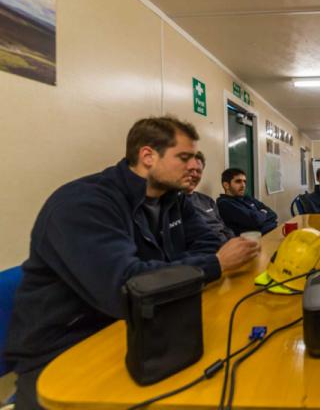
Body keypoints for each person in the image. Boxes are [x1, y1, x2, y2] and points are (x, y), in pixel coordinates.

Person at [5, 116, 261, 409]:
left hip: (147, 326)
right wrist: (211, 265)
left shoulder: (174, 199)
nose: (195, 167)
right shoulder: (83, 204)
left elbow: (210, 243)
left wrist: (168, 273)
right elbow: (126, 286)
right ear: (148, 156)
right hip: (66, 354)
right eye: (184, 157)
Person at [185, 151, 235, 243]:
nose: (194, 174)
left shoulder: (207, 200)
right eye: (190, 170)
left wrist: (233, 242)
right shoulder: (174, 204)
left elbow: (223, 226)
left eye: (198, 171)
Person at [217, 168, 278, 235]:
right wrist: (263, 212)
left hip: (268, 234)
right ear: (226, 185)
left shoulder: (247, 198)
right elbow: (255, 221)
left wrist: (259, 217)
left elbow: (273, 214)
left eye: (244, 182)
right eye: (238, 181)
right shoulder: (224, 203)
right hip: (251, 242)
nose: (243, 185)